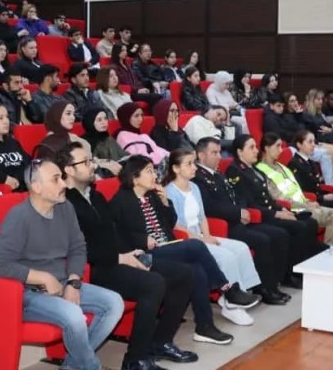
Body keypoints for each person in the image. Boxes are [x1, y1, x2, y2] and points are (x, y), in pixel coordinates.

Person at [61, 142, 197, 369]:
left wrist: (129, 252)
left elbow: (114, 232)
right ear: (69, 170)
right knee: (153, 283)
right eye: (85, 162)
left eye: (91, 160)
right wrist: (119, 258)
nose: (92, 165)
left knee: (184, 274)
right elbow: (76, 247)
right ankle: (135, 358)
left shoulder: (95, 196)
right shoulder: (65, 202)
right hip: (94, 269)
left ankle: (160, 342)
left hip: (117, 258)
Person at [0, 158, 124, 370]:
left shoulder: (65, 208)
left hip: (63, 282)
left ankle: (73, 365)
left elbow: (78, 248)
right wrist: (43, 277)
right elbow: (2, 265)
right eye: (56, 179)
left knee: (114, 303)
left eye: (62, 178)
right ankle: (92, 366)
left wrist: (73, 282)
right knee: (74, 316)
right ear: (36, 187)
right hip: (28, 294)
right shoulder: (18, 217)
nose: (63, 184)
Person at [111, 155, 255, 345]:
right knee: (195, 245)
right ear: (134, 178)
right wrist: (141, 239)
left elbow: (170, 223)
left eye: (154, 170)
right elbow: (118, 235)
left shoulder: (152, 195)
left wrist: (165, 203)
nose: (155, 175)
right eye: (149, 171)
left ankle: (204, 327)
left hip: (166, 246)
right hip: (145, 254)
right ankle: (227, 289)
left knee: (198, 270)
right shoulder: (121, 201)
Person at [165, 149, 263, 325]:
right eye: (189, 164)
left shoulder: (194, 187)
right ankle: (231, 304)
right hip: (188, 240)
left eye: (194, 163)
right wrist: (203, 239)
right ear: (176, 168)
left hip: (202, 235)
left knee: (241, 248)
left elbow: (202, 217)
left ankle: (239, 294)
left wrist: (208, 235)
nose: (194, 167)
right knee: (227, 256)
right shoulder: (169, 192)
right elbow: (176, 226)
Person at [193, 137, 290, 305]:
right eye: (214, 153)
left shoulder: (216, 174)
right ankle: (263, 288)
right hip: (224, 226)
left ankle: (274, 285)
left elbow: (235, 196)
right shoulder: (198, 178)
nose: (219, 157)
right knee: (262, 240)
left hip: (237, 221)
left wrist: (243, 210)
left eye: (219, 152)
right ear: (201, 156)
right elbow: (210, 207)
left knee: (278, 234)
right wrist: (238, 213)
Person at [226, 134, 326, 289]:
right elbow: (250, 204)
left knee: (310, 222)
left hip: (269, 211)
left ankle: (302, 268)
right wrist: (277, 214)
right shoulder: (236, 171)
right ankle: (288, 274)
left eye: (255, 147)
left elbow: (268, 199)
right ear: (240, 152)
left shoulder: (253, 169)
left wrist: (282, 208)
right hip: (259, 217)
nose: (256, 150)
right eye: (251, 147)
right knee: (296, 228)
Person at [256, 132, 333, 245]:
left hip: (302, 204)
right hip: (292, 208)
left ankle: (332, 248)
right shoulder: (261, 170)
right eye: (277, 146)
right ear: (266, 148)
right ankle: (330, 250)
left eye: (281, 146)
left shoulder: (281, 167)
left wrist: (308, 201)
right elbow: (277, 197)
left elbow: (295, 190)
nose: (281, 150)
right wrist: (306, 205)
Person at [36, 102, 122, 178]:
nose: (73, 118)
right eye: (68, 114)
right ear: (56, 116)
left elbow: (89, 160)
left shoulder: (75, 138)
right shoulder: (49, 145)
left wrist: (106, 164)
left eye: (73, 114)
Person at [115, 103, 169, 169]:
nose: (140, 119)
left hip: (161, 165)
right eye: (136, 116)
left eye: (141, 115)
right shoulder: (123, 136)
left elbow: (158, 150)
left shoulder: (143, 136)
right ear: (126, 118)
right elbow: (137, 159)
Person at [111, 43, 161, 108]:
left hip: (136, 91)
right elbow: (124, 82)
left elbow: (135, 79)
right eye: (123, 50)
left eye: (126, 50)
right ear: (117, 52)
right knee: (155, 97)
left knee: (154, 94)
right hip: (129, 93)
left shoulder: (127, 65)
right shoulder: (115, 67)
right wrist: (137, 90)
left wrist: (141, 88)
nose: (125, 52)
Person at [206, 71, 249, 135]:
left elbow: (233, 102)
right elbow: (214, 107)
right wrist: (228, 106)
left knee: (248, 119)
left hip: (233, 113)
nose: (228, 86)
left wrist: (238, 106)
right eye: (226, 84)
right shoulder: (211, 91)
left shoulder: (226, 91)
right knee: (244, 122)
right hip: (223, 116)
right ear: (220, 82)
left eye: (229, 84)